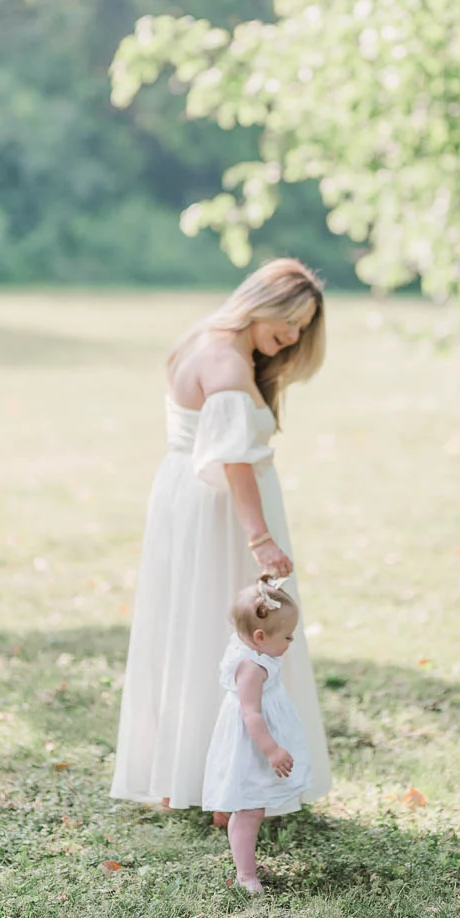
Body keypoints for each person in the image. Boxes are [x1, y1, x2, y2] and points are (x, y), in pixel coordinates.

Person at [109, 257, 331, 812]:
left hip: (182, 494)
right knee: (233, 633)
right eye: (291, 319)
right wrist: (260, 539)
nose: (294, 335)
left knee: (186, 626)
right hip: (221, 513)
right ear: (263, 302)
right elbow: (234, 461)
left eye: (304, 326)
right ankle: (228, 782)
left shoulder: (204, 336)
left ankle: (180, 774)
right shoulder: (228, 367)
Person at [203, 576, 311, 892]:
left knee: (253, 805)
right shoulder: (251, 669)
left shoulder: (250, 645)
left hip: (259, 737)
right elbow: (251, 714)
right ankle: (245, 875)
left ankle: (246, 862)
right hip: (251, 743)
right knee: (249, 807)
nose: (291, 642)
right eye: (288, 637)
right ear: (260, 636)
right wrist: (272, 750)